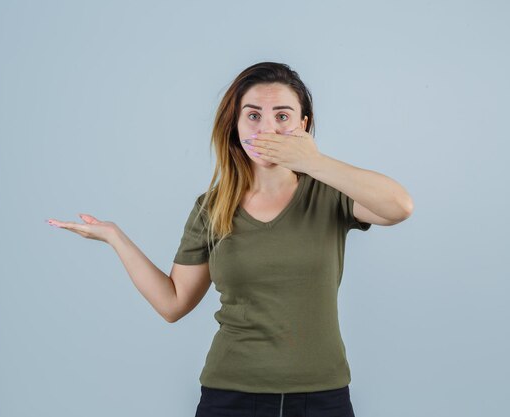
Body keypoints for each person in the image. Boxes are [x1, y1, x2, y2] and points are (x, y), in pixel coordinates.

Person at [46, 62, 414, 417]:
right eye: (253, 115)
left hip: (323, 399)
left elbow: (399, 207)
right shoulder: (212, 207)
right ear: (236, 125)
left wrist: (312, 161)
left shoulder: (330, 194)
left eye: (282, 116)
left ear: (303, 124)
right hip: (231, 398)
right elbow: (173, 303)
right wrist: (115, 237)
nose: (266, 128)